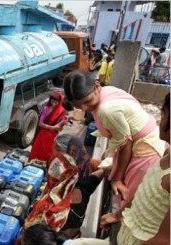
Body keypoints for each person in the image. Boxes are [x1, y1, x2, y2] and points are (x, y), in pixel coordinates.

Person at [62, 93, 170, 245]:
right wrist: (119, 214)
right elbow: (145, 192)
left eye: (163, 113)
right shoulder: (167, 152)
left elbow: (165, 243)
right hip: (125, 244)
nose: (159, 119)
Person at [64, 70, 164, 209]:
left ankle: (118, 216)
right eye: (78, 105)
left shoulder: (106, 109)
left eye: (87, 101)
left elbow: (125, 144)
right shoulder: (107, 90)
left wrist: (117, 179)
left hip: (145, 151)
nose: (84, 108)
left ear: (97, 85)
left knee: (128, 194)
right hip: (146, 139)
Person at [29, 90, 68, 162]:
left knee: (48, 152)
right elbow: (40, 123)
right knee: (37, 150)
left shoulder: (62, 111)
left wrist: (63, 123)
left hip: (52, 136)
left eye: (56, 102)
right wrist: (52, 127)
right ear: (50, 100)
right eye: (52, 101)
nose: (54, 104)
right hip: (42, 134)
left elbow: (60, 127)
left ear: (59, 102)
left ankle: (45, 165)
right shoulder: (46, 109)